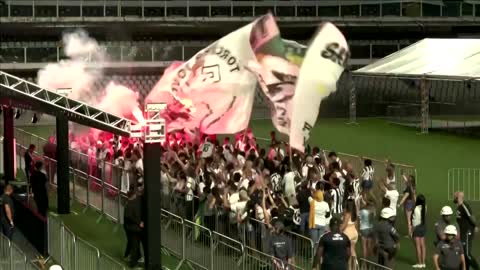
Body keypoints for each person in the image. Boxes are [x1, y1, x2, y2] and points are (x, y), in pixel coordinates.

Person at [454, 192, 479, 270]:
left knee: (466, 253)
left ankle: (477, 268)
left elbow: (470, 216)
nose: (453, 197)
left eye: (455, 196)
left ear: (458, 197)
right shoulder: (459, 206)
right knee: (464, 253)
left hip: (467, 232)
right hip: (463, 232)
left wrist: (475, 226)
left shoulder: (464, 206)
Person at [123, 188, 143, 268]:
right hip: (132, 228)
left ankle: (128, 256)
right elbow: (130, 217)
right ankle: (133, 262)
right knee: (134, 245)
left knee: (131, 243)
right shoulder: (130, 205)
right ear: (133, 195)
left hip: (129, 227)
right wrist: (139, 223)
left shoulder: (129, 203)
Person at [341, 199, 358, 270]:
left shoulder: (347, 214)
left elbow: (344, 225)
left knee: (348, 254)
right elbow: (356, 225)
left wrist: (337, 231)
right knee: (353, 251)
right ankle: (355, 265)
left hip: (348, 234)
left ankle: (350, 268)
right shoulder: (355, 213)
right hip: (354, 233)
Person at [412, 194, 427, 269]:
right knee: (423, 246)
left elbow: (415, 222)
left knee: (418, 246)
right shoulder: (425, 207)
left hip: (417, 228)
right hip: (423, 227)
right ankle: (423, 263)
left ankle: (419, 263)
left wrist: (412, 230)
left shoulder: (415, 209)